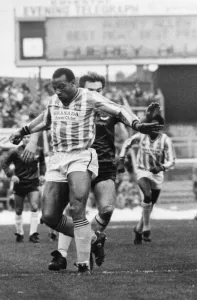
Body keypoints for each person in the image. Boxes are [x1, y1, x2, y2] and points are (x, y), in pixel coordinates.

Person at [9, 68, 163, 275]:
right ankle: (90, 239)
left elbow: (119, 111)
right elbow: (46, 119)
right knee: (49, 216)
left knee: (79, 206)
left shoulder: (94, 101)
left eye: (61, 86)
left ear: (73, 84)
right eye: (55, 87)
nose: (58, 91)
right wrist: (24, 131)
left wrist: (137, 124)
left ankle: (81, 263)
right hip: (59, 158)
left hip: (85, 157)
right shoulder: (54, 101)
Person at [48, 72, 130, 271]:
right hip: (77, 162)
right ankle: (62, 254)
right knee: (74, 209)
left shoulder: (108, 110)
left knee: (107, 209)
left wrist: (121, 156)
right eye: (91, 90)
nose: (96, 93)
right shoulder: (72, 105)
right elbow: (50, 121)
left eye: (99, 90)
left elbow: (124, 136)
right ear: (82, 90)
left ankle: (91, 240)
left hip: (104, 165)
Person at [118, 114, 176, 244]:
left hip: (157, 174)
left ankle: (137, 229)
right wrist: (121, 159)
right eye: (152, 125)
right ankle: (146, 229)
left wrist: (161, 167)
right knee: (147, 196)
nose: (154, 128)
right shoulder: (142, 135)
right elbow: (127, 142)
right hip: (142, 170)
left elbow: (172, 161)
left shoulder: (166, 140)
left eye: (157, 125)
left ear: (161, 127)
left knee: (150, 205)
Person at [2, 135, 46, 243]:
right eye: (25, 137)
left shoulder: (39, 150)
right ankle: (19, 233)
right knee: (18, 210)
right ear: (22, 139)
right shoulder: (15, 151)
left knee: (35, 207)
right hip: (19, 184)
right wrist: (11, 175)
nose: (27, 139)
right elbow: (4, 163)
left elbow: (43, 163)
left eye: (29, 137)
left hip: (33, 183)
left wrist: (42, 174)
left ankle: (33, 234)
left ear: (33, 139)